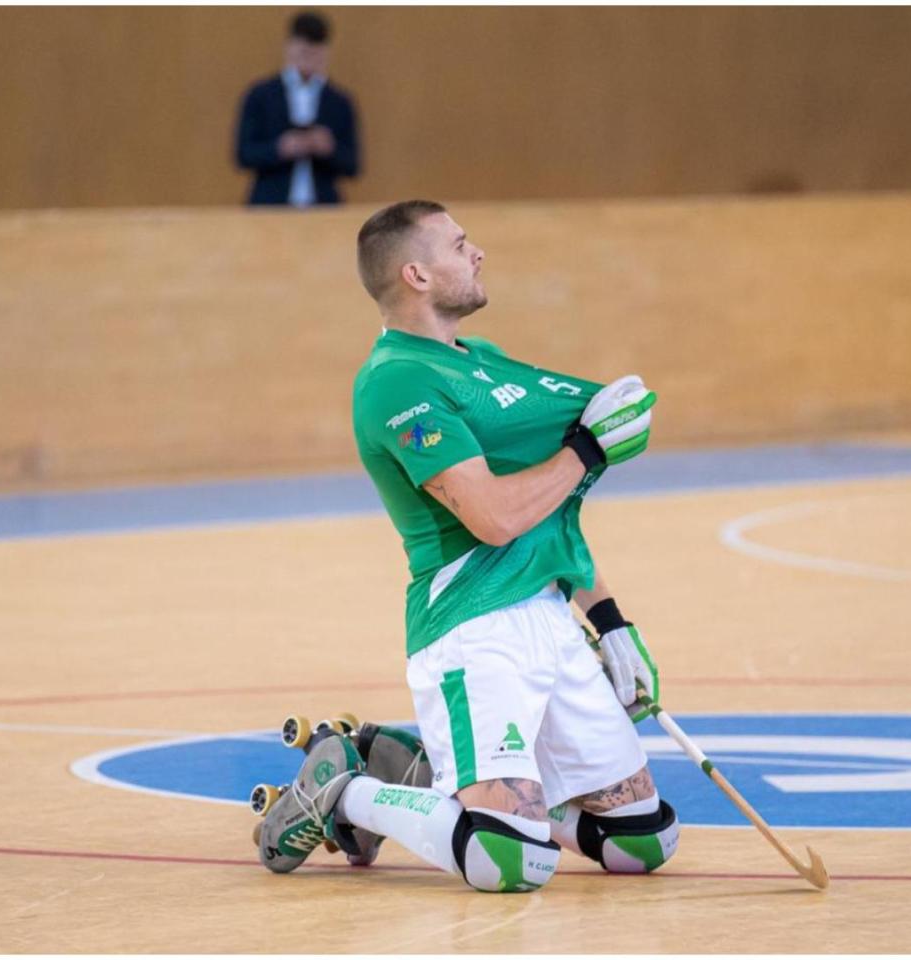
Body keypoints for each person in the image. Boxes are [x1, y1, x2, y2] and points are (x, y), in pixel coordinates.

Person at [253, 200, 679, 893]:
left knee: (643, 839)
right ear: (416, 275)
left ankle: (432, 774)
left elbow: (549, 515)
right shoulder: (396, 381)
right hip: (473, 628)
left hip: (549, 619)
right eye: (458, 244)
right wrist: (588, 449)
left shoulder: (483, 363)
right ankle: (343, 792)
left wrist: (610, 621)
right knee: (509, 859)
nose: (476, 252)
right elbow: (496, 518)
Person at [233, 11, 360, 207]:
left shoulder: (339, 101)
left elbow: (353, 164)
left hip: (323, 206)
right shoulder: (261, 95)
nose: (308, 58)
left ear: (325, 52)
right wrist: (280, 148)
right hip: (270, 205)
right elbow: (243, 154)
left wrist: (328, 148)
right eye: (303, 51)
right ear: (289, 47)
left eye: (314, 51)